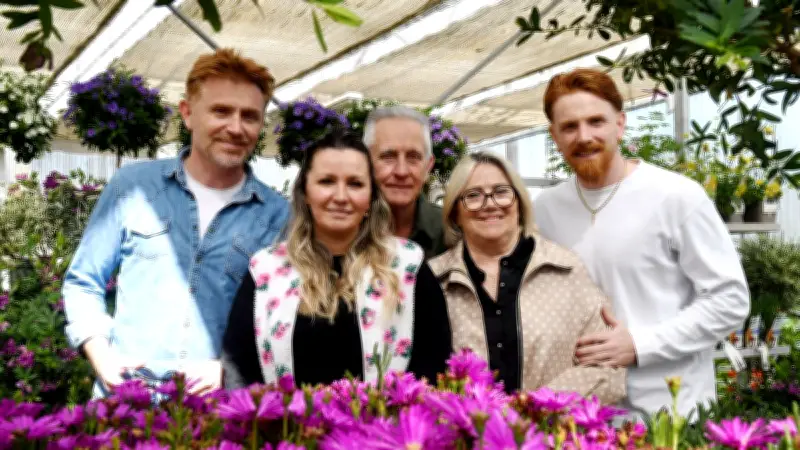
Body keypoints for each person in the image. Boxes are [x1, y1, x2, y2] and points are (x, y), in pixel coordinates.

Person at [62, 48, 290, 398]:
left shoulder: (276, 214)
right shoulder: (133, 187)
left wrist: (229, 369)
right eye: (221, 111)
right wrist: (100, 353)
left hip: (219, 412)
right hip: (126, 402)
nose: (235, 127)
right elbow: (83, 281)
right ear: (187, 114)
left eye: (250, 116)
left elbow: (283, 319)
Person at [533, 68, 750, 417]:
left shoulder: (676, 197)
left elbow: (730, 300)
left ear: (620, 124)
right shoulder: (545, 208)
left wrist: (639, 344)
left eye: (596, 121)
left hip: (670, 412)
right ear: (554, 136)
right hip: (581, 413)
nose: (584, 136)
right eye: (569, 127)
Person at [222, 132, 452, 388]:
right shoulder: (268, 269)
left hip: (384, 426)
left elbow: (433, 366)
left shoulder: (406, 265)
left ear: (371, 197)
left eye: (355, 184)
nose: (341, 197)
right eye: (326, 181)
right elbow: (240, 370)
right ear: (305, 193)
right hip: (291, 426)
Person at [428, 152, 626, 403]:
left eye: (501, 191)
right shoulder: (433, 280)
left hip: (552, 435)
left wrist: (534, 408)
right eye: (473, 196)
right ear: (455, 212)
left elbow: (607, 367)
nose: (490, 204)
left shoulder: (565, 270)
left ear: (520, 203)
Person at [363, 106, 446, 259]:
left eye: (413, 157)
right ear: (365, 161)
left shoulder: (452, 232)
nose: (401, 171)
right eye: (388, 156)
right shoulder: (345, 231)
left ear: (428, 166)